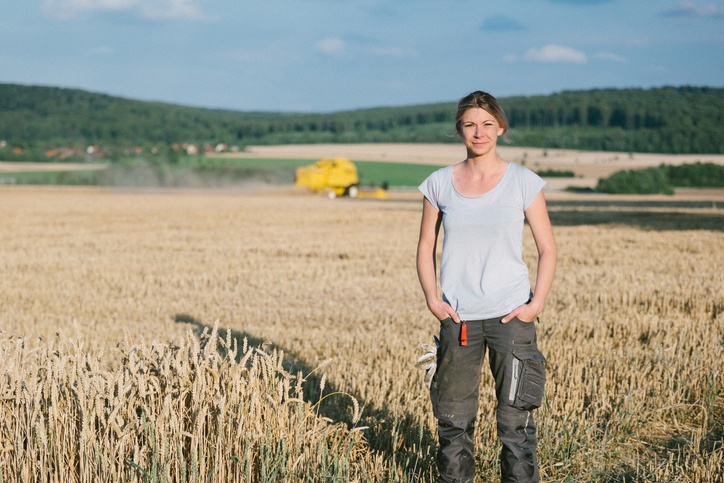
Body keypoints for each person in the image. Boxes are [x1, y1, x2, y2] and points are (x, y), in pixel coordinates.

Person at [416, 90, 557, 483]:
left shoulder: (523, 181)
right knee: (453, 422)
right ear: (459, 130)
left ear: (501, 128)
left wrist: (535, 304)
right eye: (470, 125)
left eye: (487, 124)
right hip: (458, 319)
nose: (479, 133)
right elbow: (425, 247)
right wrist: (433, 298)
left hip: (511, 317)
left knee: (517, 424)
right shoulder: (439, 183)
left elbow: (548, 249)